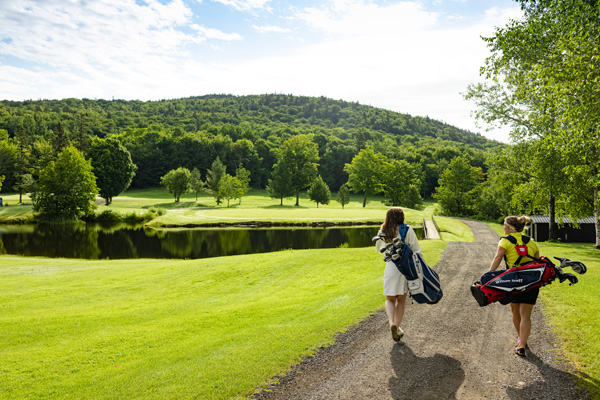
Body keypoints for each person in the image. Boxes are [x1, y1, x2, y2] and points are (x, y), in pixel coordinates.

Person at [489, 215, 540, 357]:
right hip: (531, 282)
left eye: (504, 225)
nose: (503, 227)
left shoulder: (505, 241)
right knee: (526, 316)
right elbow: (537, 261)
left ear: (510, 228)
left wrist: (489, 275)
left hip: (514, 283)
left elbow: (498, 258)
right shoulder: (531, 241)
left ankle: (521, 342)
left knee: (515, 312)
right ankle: (522, 342)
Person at [375, 207, 424, 342]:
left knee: (389, 299)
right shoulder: (407, 229)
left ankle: (391, 323)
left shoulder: (383, 231)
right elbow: (417, 251)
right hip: (405, 269)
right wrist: (423, 268)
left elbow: (379, 250)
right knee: (401, 300)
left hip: (391, 268)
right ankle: (397, 327)